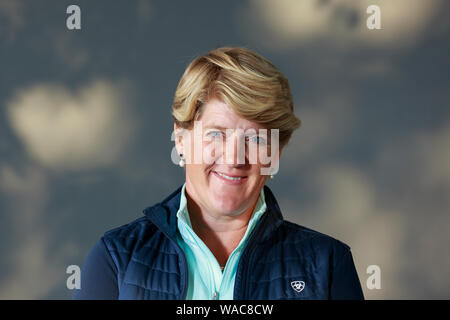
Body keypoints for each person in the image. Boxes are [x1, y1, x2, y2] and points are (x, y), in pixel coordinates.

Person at [73, 47, 364, 300]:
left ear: (276, 153)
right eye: (216, 134)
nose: (234, 157)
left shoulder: (328, 265)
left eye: (257, 139)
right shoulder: (116, 258)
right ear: (181, 138)